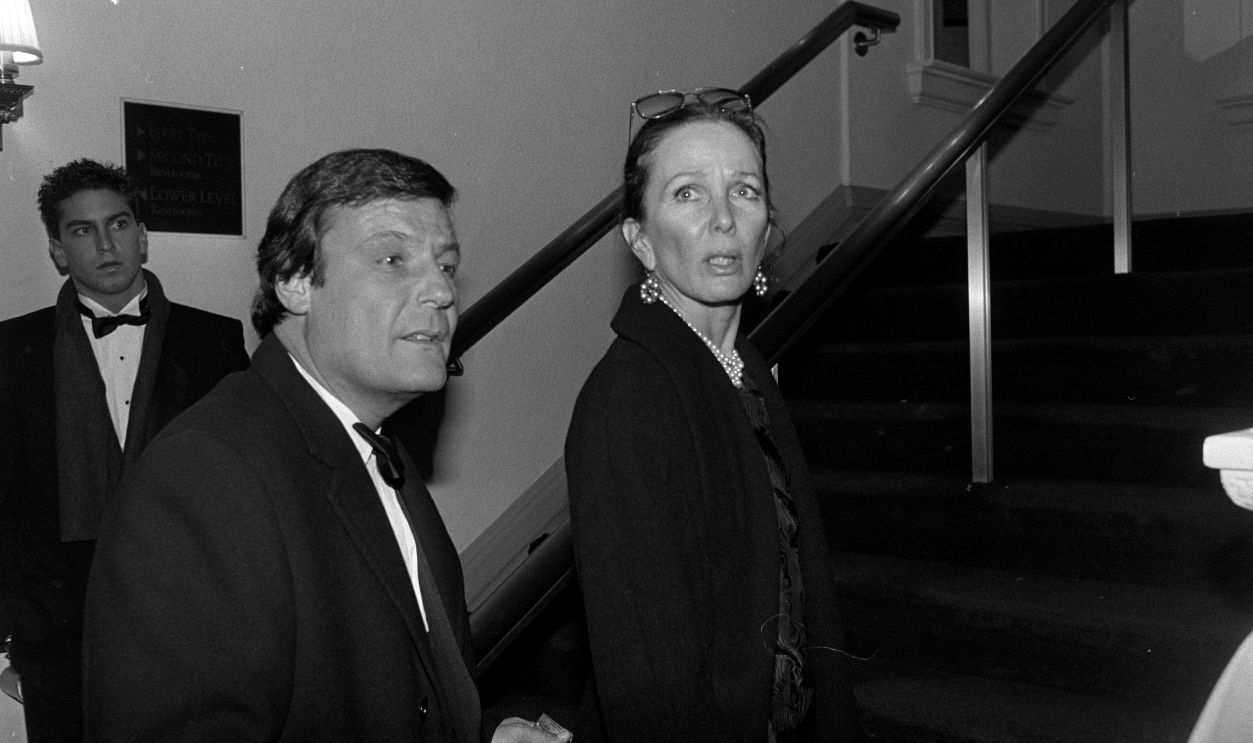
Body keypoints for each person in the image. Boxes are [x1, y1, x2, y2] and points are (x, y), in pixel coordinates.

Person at [82, 149, 568, 743]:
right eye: (393, 259)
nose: (442, 292)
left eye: (446, 265)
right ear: (293, 283)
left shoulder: (370, 444)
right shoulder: (203, 477)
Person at [565, 89, 862, 742]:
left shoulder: (745, 370)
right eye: (688, 193)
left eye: (744, 191)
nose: (723, 219)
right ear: (639, 240)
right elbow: (648, 681)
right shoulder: (631, 397)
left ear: (767, 226)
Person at [0, 158, 249, 743]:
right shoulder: (11, 350)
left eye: (118, 224)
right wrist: (17, 621)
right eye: (82, 230)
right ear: (59, 250)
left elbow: (241, 491)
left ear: (142, 236)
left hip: (190, 620)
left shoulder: (215, 339)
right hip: (60, 631)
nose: (105, 244)